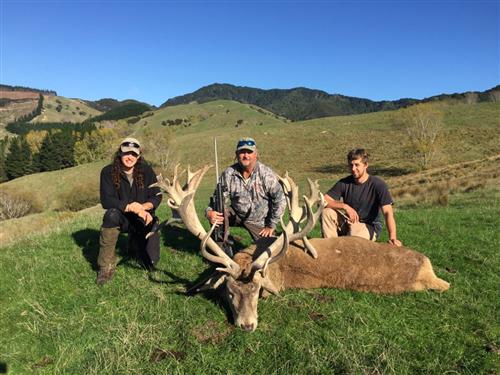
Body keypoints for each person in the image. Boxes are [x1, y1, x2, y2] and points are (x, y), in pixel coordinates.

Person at [96, 137, 162, 285]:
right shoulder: (107, 172)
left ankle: (134, 243)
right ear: (120, 153)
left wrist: (144, 207)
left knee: (151, 263)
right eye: (126, 153)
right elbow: (107, 200)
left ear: (138, 156)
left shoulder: (147, 171)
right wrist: (131, 207)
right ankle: (105, 267)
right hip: (122, 217)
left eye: (133, 154)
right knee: (110, 215)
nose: (129, 157)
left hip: (143, 218)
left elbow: (157, 196)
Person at [206, 137, 286, 243]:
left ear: (255, 154)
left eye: (249, 152)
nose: (245, 155)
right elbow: (218, 200)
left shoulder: (266, 174)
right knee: (219, 213)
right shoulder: (229, 174)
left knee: (269, 249)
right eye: (242, 152)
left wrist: (271, 226)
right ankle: (221, 241)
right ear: (236, 154)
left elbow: (280, 200)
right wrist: (209, 213)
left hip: (259, 221)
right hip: (237, 214)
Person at [321, 148, 402, 246]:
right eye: (351, 165)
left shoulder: (378, 185)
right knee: (326, 213)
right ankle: (331, 248)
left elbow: (388, 212)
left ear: (366, 165)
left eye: (357, 165)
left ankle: (346, 247)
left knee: (354, 237)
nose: (353, 169)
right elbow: (324, 200)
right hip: (348, 221)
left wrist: (393, 238)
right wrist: (344, 206)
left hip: (369, 226)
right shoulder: (344, 183)